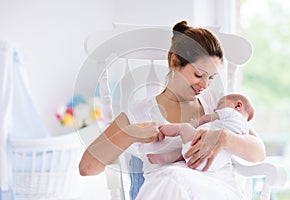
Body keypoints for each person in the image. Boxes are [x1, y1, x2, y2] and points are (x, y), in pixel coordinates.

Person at [79, 21, 266, 200]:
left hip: (216, 191)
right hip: (170, 191)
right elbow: (87, 167)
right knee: (171, 179)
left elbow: (258, 152)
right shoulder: (140, 112)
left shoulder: (217, 108)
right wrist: (129, 134)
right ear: (175, 62)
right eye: (199, 74)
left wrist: (224, 138)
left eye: (211, 78)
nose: (205, 85)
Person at [146, 93, 255, 172]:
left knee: (184, 128)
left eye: (220, 105)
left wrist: (195, 123)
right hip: (213, 165)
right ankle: (167, 157)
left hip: (200, 149)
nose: (216, 109)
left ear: (238, 105)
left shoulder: (231, 112)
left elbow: (207, 118)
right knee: (187, 150)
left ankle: (161, 129)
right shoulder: (245, 131)